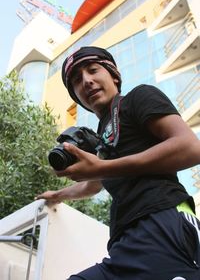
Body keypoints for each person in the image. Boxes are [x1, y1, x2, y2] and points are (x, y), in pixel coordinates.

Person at [36, 46, 200, 280]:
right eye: (77, 81)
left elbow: (190, 148)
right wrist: (58, 195)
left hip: (164, 219)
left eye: (93, 70)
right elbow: (94, 184)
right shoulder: (103, 136)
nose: (87, 81)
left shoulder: (139, 97)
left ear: (114, 75)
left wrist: (102, 167)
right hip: (124, 242)